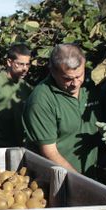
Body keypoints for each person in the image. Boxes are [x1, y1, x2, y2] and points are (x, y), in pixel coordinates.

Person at [22, 43, 101, 176]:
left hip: (92, 175)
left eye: (79, 76)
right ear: (53, 72)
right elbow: (50, 153)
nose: (75, 83)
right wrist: (81, 183)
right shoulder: (41, 100)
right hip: (58, 180)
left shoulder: (91, 86)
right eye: (67, 79)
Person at [0, 43, 32, 147]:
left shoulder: (26, 87)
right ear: (9, 62)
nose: (25, 68)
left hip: (17, 145)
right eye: (20, 64)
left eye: (27, 64)